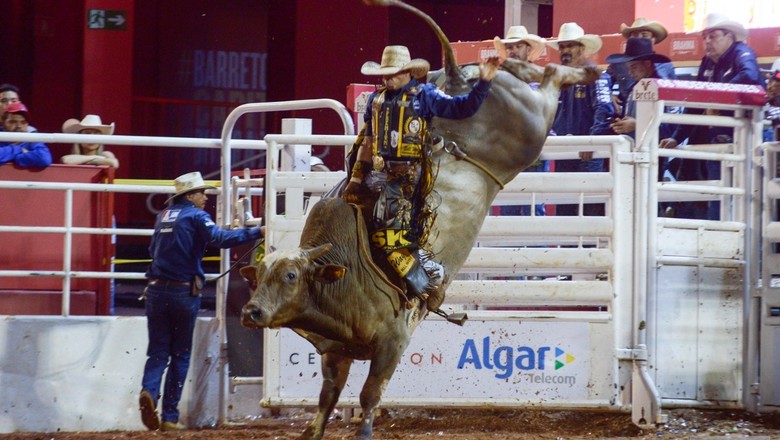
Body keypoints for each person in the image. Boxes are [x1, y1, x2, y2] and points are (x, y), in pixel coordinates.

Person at [342, 45, 500, 312]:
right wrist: (356, 179)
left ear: (407, 73)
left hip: (408, 177)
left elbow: (462, 108)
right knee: (350, 218)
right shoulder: (376, 99)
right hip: (377, 174)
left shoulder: (423, 96)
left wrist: (483, 82)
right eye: (385, 74)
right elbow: (368, 140)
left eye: (393, 74)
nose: (387, 79)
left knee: (387, 232)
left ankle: (430, 281)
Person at [139, 171, 263, 431]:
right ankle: (170, 416)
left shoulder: (163, 217)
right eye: (201, 193)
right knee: (181, 354)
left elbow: (152, 251)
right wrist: (257, 231)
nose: (205, 198)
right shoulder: (196, 216)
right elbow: (220, 239)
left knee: (158, 351)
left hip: (156, 291)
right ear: (190, 195)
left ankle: (149, 391)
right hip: (182, 292)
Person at [659, 13, 762, 219]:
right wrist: (677, 137)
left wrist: (717, 99)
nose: (706, 41)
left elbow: (750, 77)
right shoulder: (707, 61)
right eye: (704, 36)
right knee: (718, 194)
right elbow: (696, 101)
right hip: (715, 138)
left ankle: (735, 241)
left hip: (741, 138)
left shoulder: (742, 53)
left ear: (729, 37)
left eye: (712, 36)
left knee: (735, 196)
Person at [547, 22, 613, 216]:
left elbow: (605, 109)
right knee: (565, 207)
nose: (565, 50)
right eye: (562, 46)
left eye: (570, 46)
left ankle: (592, 246)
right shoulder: (559, 77)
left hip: (587, 152)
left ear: (582, 48)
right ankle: (567, 246)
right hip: (563, 150)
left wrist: (591, 142)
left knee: (589, 206)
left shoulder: (597, 75)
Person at [500, 26, 548, 217]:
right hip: (509, 152)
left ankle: (538, 246)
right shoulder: (500, 79)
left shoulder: (540, 78)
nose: (512, 51)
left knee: (533, 205)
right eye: (509, 47)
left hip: (533, 150)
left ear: (528, 50)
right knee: (508, 205)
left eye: (517, 46)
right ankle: (505, 247)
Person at [609, 18, 676, 114]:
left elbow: (673, 102)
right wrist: (609, 95)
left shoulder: (666, 66)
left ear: (653, 39)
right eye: (635, 35)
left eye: (644, 35)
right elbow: (604, 81)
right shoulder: (619, 64)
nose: (639, 38)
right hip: (629, 114)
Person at [0, 101, 51, 168]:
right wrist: (20, 150)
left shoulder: (31, 138)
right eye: (13, 122)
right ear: (3, 123)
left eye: (23, 122)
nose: (19, 126)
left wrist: (17, 158)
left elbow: (44, 159)